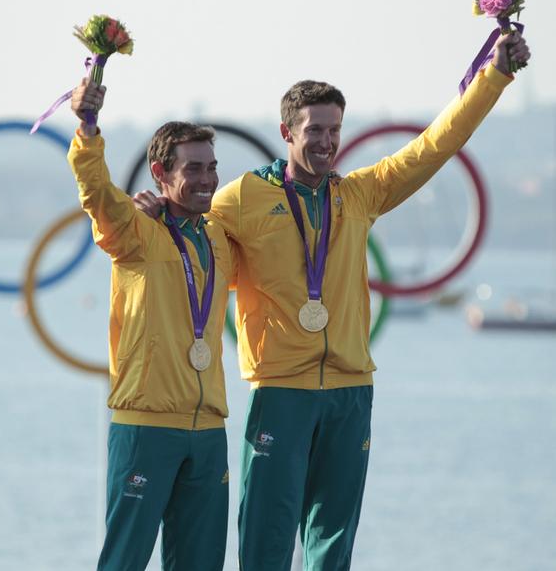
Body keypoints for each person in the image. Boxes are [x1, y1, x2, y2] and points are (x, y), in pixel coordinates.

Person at [133, 31, 531, 570]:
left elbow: (436, 144)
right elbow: (191, 250)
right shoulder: (244, 199)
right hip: (280, 392)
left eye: (335, 130)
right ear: (286, 133)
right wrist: (148, 220)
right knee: (266, 542)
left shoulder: (359, 195)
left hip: (351, 391)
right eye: (314, 130)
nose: (326, 141)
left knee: (332, 543)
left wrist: (494, 76)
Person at [67, 77, 236, 571]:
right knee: (124, 561)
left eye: (212, 168)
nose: (207, 180)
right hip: (146, 424)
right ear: (161, 172)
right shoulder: (136, 230)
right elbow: (95, 190)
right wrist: (87, 125)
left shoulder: (221, 238)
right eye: (193, 169)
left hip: (208, 428)